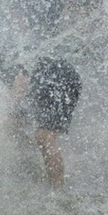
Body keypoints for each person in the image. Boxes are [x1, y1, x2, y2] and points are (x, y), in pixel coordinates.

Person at [12, 57, 81, 188]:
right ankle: (35, 171)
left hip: (57, 76)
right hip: (60, 76)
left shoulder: (6, 62)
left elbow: (20, 82)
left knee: (44, 136)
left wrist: (15, 109)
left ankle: (57, 190)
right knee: (31, 131)